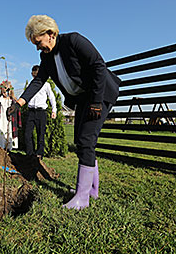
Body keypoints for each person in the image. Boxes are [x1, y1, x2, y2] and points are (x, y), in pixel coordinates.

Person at [8, 15, 121, 210]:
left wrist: (96, 102)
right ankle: (91, 191)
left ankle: (82, 198)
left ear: (50, 34)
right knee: (82, 142)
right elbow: (39, 80)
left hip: (99, 94)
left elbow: (98, 66)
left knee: (86, 141)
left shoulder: (74, 41)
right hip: (84, 99)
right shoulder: (46, 57)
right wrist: (20, 102)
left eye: (38, 42)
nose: (37, 47)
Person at [24, 65, 57, 159]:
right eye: (33, 74)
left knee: (40, 133)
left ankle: (39, 154)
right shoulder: (31, 84)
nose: (34, 75)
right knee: (27, 134)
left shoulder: (46, 85)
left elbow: (52, 97)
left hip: (41, 112)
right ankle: (30, 153)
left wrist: (54, 110)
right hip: (31, 111)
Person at [0, 80, 22, 150]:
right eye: (4, 89)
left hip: (10, 121)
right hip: (1, 121)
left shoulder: (13, 101)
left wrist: (19, 123)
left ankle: (8, 150)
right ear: (1, 89)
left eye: (7, 89)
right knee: (0, 135)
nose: (6, 91)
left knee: (9, 135)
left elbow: (18, 114)